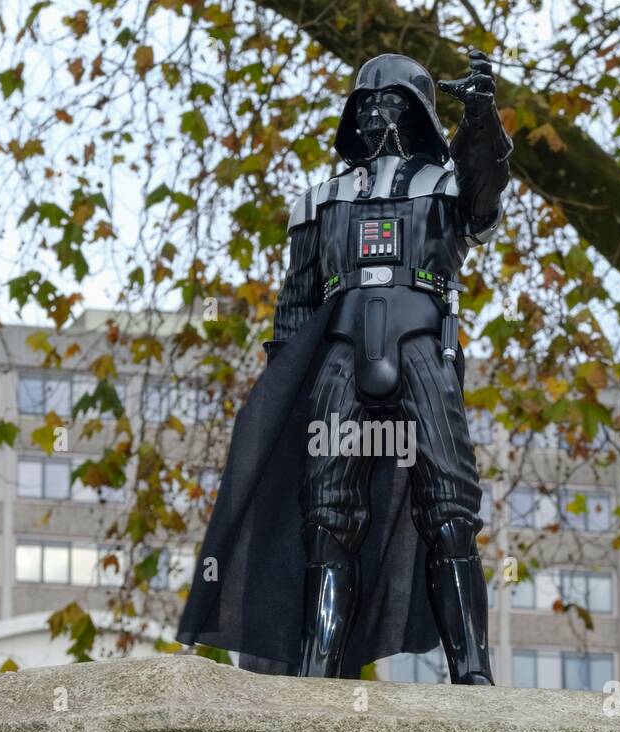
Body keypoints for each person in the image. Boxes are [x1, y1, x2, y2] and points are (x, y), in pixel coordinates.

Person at [178, 50, 512, 683]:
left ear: (417, 113)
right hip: (337, 350)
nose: (379, 115)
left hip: (421, 341)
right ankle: (317, 670)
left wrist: (480, 112)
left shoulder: (443, 187)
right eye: (367, 104)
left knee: (448, 505)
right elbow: (295, 306)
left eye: (393, 103)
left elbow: (483, 182)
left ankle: (472, 673)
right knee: (328, 515)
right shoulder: (320, 201)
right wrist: (280, 395)